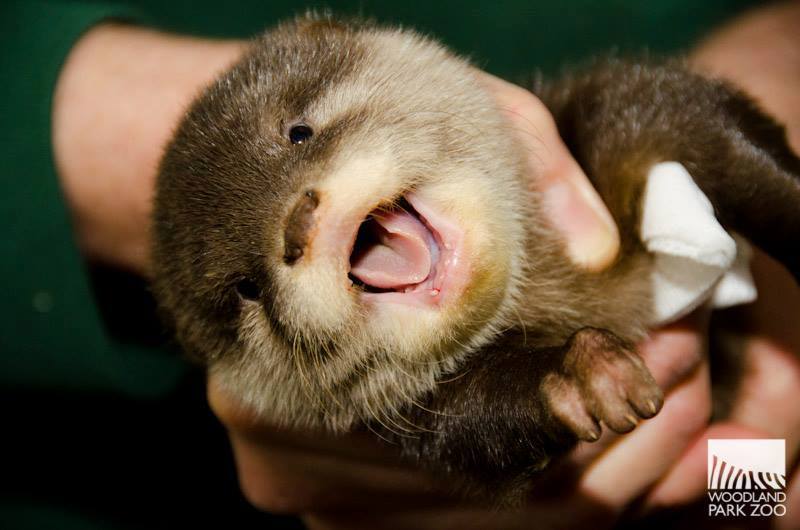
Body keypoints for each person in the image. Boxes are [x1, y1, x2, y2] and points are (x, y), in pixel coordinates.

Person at [3, 1, 798, 528]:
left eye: (300, 140)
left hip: (763, 330)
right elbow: (478, 428)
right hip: (708, 460)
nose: (298, 227)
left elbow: (688, 126)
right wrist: (551, 397)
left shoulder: (593, 138)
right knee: (735, 485)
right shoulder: (430, 411)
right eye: (250, 288)